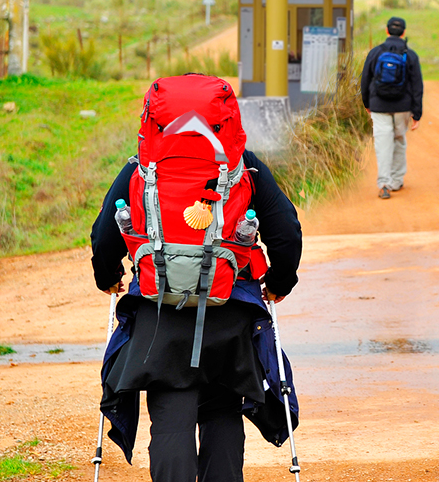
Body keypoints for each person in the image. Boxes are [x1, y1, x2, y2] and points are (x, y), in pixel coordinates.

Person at [91, 76, 303, 482]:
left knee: (170, 415)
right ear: (225, 122)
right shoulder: (246, 168)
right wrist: (279, 283)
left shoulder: (141, 170)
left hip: (159, 316)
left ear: (155, 121)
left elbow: (105, 234)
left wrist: (109, 276)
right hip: (229, 312)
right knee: (222, 410)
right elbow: (286, 232)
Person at [359, 16, 423, 199]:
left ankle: (384, 183)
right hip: (403, 106)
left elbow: (365, 80)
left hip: (378, 105)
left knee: (383, 143)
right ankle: (396, 180)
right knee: (399, 140)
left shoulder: (375, 53)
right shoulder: (410, 55)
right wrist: (416, 113)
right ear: (403, 32)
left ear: (387, 31)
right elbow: (417, 86)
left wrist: (367, 103)